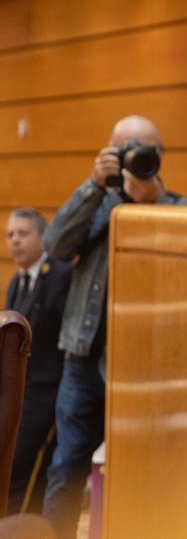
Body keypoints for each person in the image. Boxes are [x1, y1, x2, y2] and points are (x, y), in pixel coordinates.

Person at [42, 115, 181, 537]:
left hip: (148, 368)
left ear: (161, 156)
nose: (138, 155)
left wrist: (152, 202)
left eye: (147, 148)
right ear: (110, 152)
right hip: (84, 360)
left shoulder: (176, 207)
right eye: (127, 148)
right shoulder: (95, 203)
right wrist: (93, 187)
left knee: (146, 472)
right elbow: (55, 246)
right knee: (67, 467)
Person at [4, 209, 71, 515]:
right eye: (10, 235)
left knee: (25, 467)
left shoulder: (61, 274)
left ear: (43, 237)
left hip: (50, 393)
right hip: (22, 392)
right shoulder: (16, 283)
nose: (15, 241)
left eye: (23, 233)